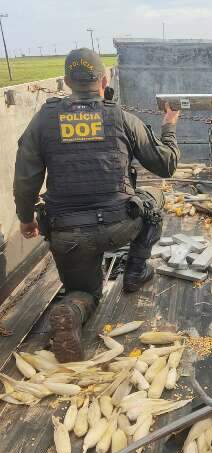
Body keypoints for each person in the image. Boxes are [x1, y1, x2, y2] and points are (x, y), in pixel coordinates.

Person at [14, 48, 181, 361]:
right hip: (120, 225)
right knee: (154, 199)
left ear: (66, 82)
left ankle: (72, 310)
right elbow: (166, 165)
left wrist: (26, 219)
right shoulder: (120, 117)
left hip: (68, 234)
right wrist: (169, 125)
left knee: (85, 292)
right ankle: (135, 269)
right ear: (104, 80)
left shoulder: (44, 120)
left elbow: (25, 181)